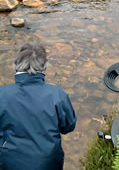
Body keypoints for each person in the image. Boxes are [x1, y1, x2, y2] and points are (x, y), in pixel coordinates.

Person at [0, 39, 76, 170]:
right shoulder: (57, 94)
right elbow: (68, 126)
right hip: (48, 162)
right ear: (45, 66)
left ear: (16, 65)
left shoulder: (2, 94)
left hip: (10, 162)